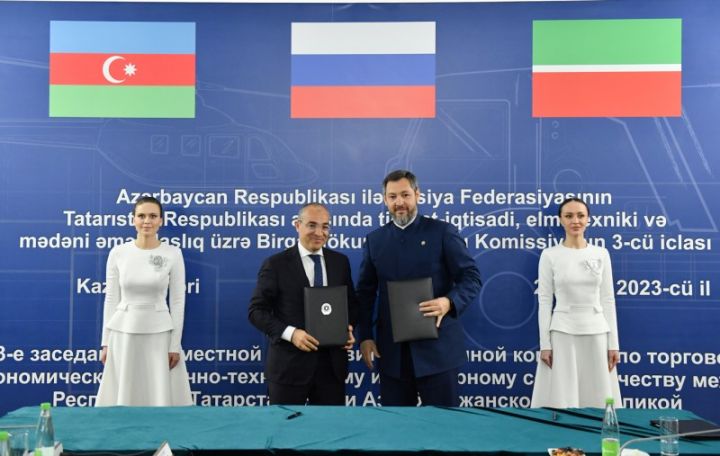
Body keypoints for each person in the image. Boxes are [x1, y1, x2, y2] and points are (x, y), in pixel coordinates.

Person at [356, 170, 482, 407]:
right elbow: (364, 294)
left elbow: (471, 277)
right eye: (392, 197)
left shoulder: (443, 232)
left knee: (443, 424)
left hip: (439, 353)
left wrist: (449, 302)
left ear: (417, 195)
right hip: (393, 356)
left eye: (405, 195)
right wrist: (365, 337)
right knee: (398, 426)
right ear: (385, 200)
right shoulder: (375, 240)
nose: (399, 202)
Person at [248, 203, 357, 405]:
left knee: (330, 425)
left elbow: (350, 305)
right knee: (285, 426)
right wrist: (291, 334)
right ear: (297, 225)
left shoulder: (340, 262)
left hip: (331, 370)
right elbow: (256, 311)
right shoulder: (276, 264)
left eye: (325, 226)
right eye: (312, 225)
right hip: (288, 368)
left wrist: (348, 329)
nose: (319, 233)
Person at [96, 196, 193, 406]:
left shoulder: (173, 253)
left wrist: (174, 345)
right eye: (141, 216)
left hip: (160, 335)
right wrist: (105, 343)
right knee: (124, 396)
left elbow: (178, 302)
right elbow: (111, 298)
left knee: (159, 395)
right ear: (133, 220)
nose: (147, 221)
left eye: (152, 216)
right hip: (123, 334)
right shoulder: (118, 253)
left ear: (161, 221)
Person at [531, 197, 622, 408]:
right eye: (569, 216)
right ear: (560, 220)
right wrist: (545, 345)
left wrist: (613, 345)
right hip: (562, 332)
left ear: (588, 219)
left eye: (581, 215)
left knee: (598, 394)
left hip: (597, 331)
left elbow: (608, 300)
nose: (575, 221)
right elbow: (545, 301)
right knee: (563, 396)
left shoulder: (601, 254)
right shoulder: (550, 255)